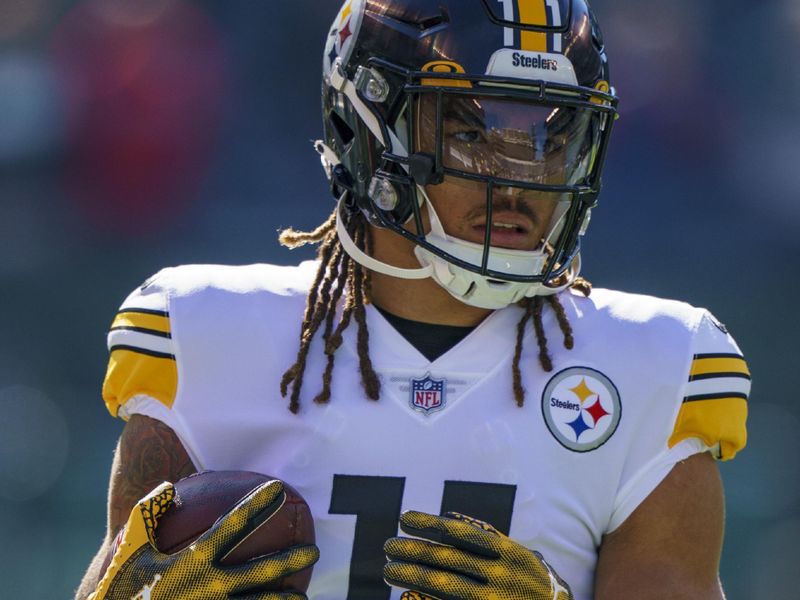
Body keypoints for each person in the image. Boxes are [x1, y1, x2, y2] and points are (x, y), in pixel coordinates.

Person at [76, 1, 750, 599]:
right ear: (366, 129)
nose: (520, 173)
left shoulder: (655, 363)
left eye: (552, 136)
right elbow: (120, 579)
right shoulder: (205, 334)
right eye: (470, 131)